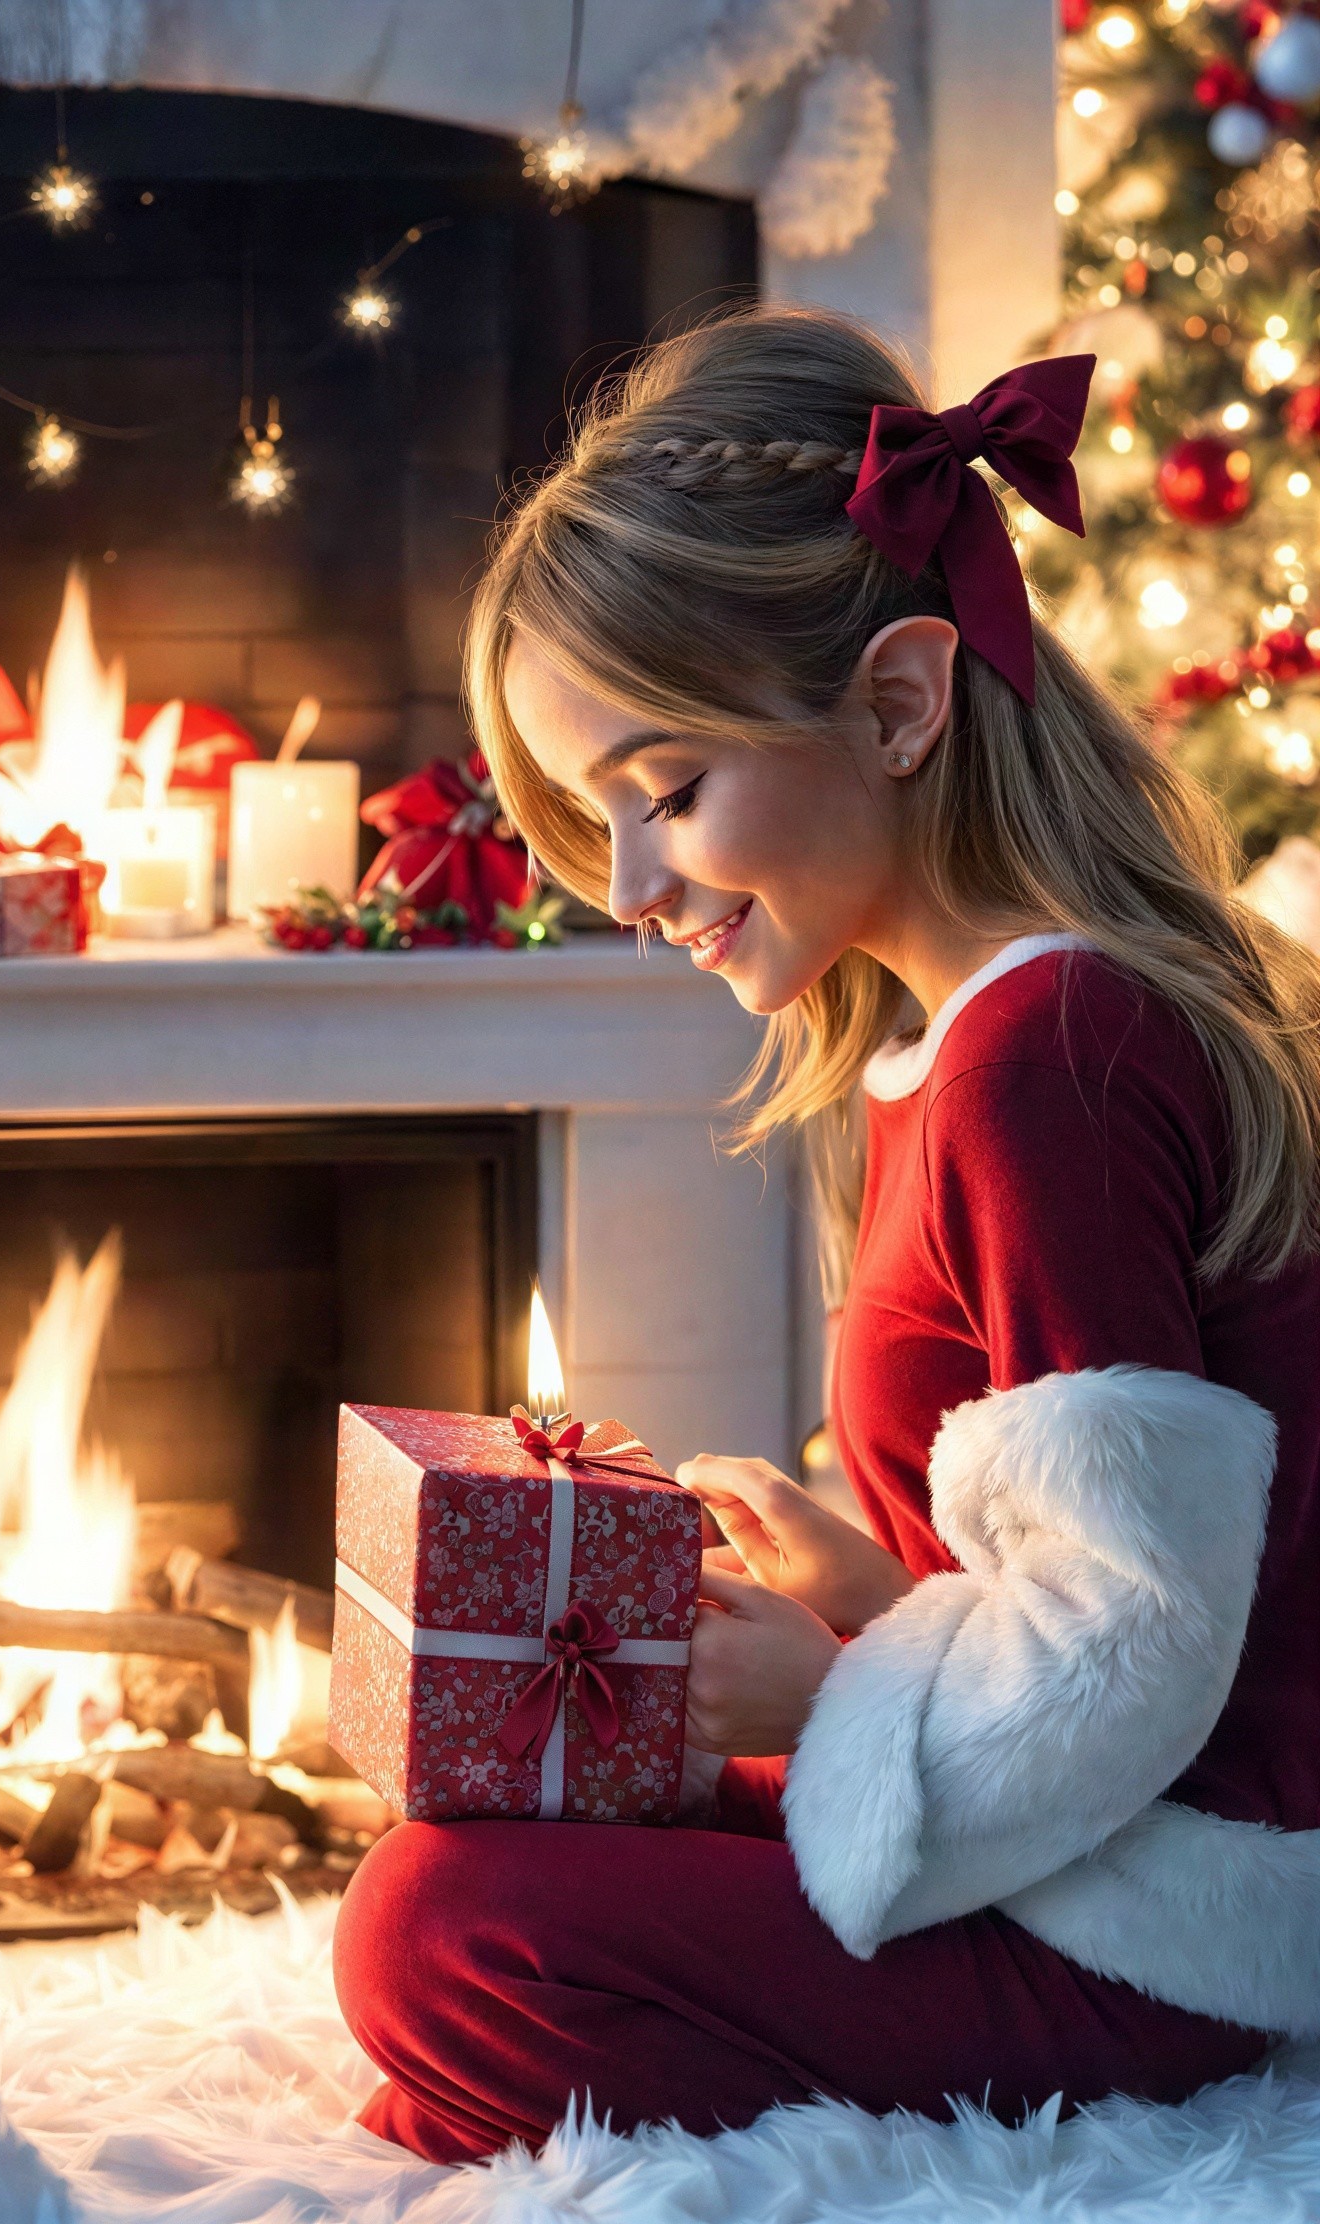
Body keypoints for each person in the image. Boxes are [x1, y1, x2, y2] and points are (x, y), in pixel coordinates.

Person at [331, 307, 1320, 2163]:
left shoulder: (1057, 1053)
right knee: (490, 1847)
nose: (626, 892)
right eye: (594, 824)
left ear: (897, 704)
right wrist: (854, 1586)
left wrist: (849, 1684)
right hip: (1056, 1823)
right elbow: (1063, 1569)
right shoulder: (956, 1044)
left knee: (437, 1929)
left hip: (1162, 1923)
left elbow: (1139, 1646)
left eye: (667, 797)